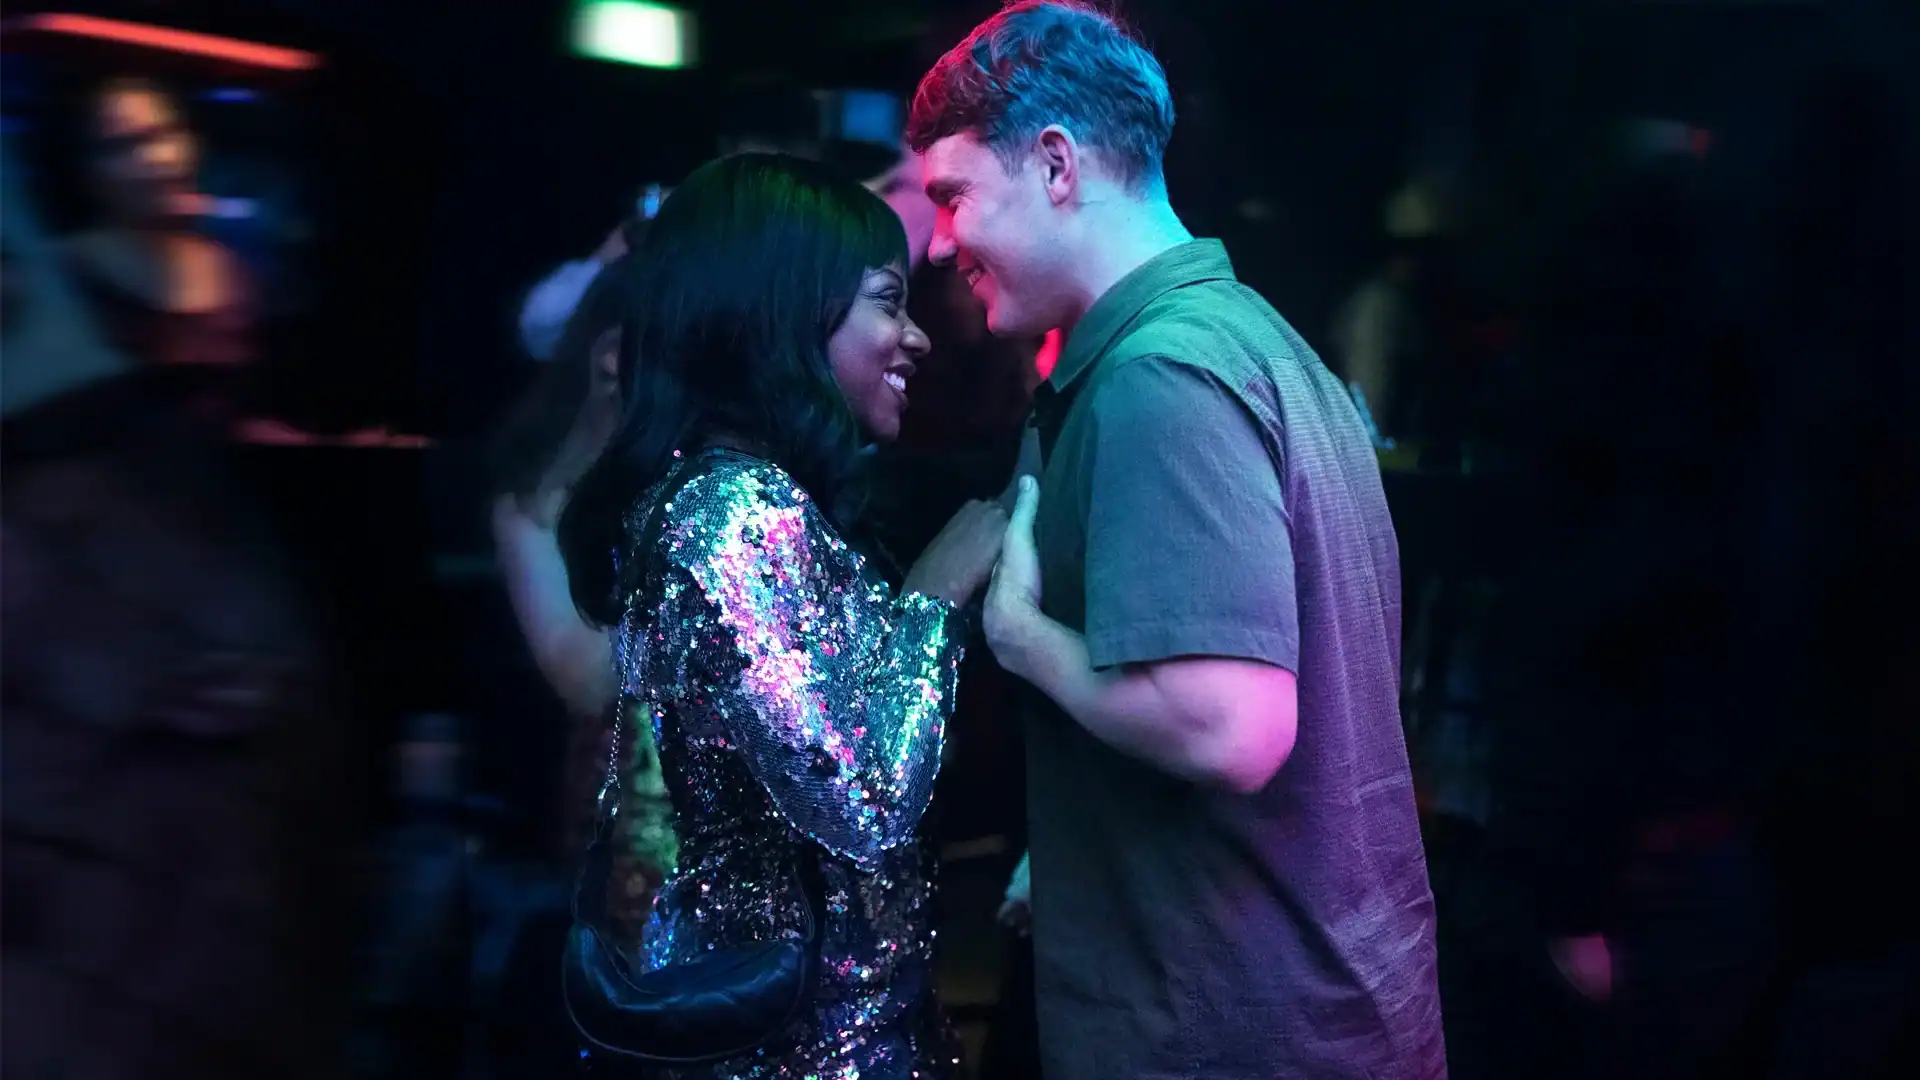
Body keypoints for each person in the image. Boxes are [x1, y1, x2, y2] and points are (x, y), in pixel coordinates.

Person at [908, 4, 1446, 1078]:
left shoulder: (1160, 375)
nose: (940, 243)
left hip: (1232, 1032)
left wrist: (1023, 639)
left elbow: (1231, 727)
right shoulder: (1249, 338)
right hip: (1311, 1004)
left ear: (1055, 165)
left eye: (954, 197)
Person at [555, 151, 1007, 1080]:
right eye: (888, 302)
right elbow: (866, 800)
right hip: (804, 1049)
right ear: (787, 315)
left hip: (833, 1030)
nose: (916, 338)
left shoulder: (746, 498)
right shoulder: (732, 514)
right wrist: (936, 596)